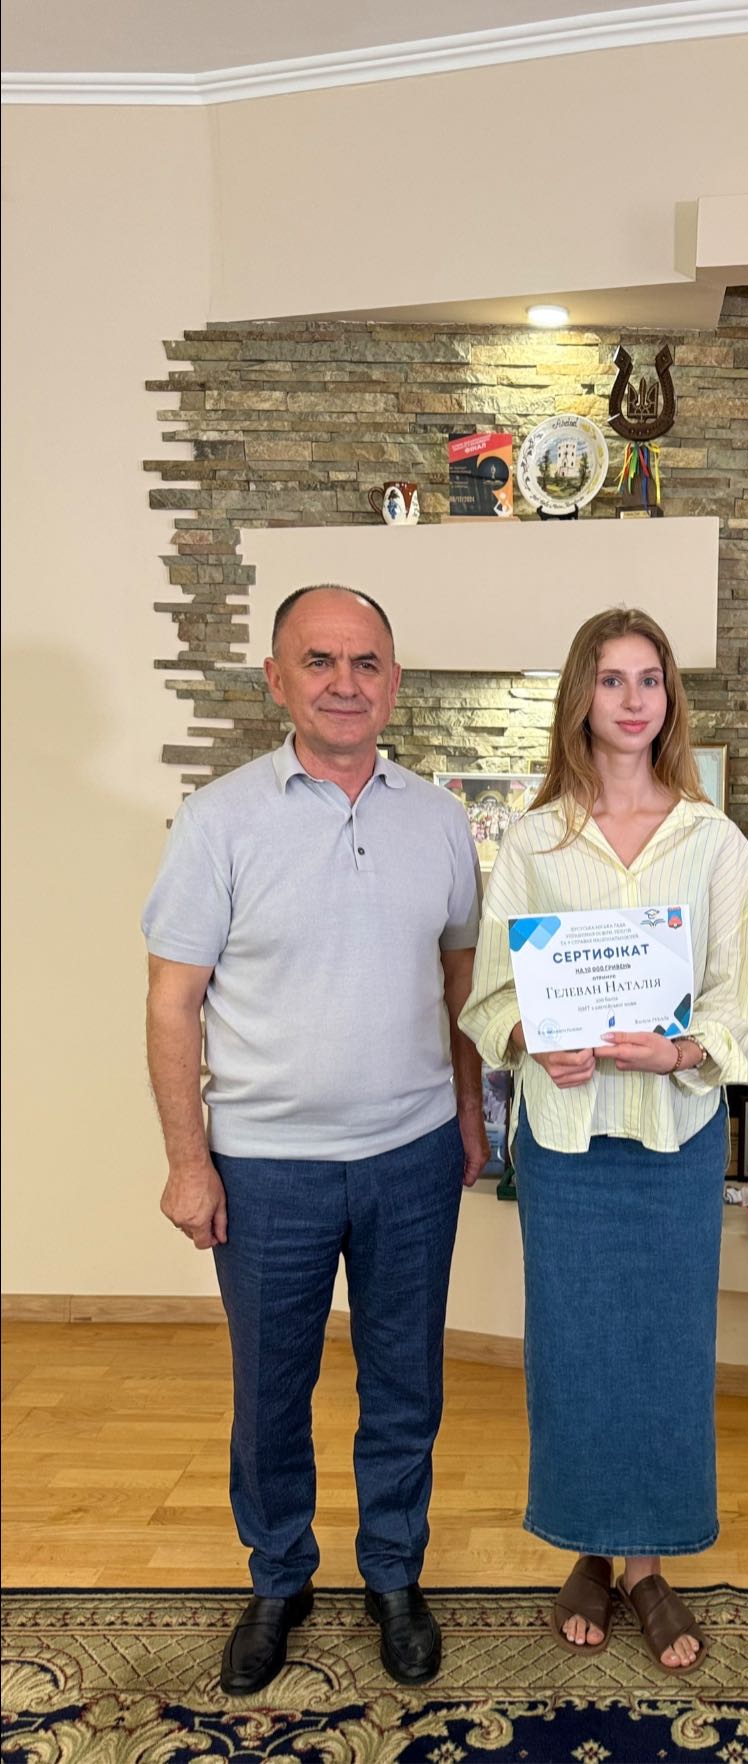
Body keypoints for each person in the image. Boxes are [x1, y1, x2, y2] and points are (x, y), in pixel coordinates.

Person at [142, 585, 488, 1696]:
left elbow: (461, 984)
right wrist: (188, 1162)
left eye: (367, 662)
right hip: (264, 1168)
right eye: (320, 660)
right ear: (277, 679)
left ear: (395, 681)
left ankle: (394, 1574)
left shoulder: (439, 820)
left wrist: (471, 1114)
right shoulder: (218, 821)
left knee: (405, 1387)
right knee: (269, 1393)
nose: (346, 682)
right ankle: (279, 1578)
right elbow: (172, 1000)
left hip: (412, 1157)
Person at [460, 607, 748, 1673]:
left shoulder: (714, 842)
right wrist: (532, 1040)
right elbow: (489, 998)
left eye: (649, 679)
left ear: (669, 698)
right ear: (580, 699)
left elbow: (739, 1003)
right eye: (610, 679)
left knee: (668, 1355)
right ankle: (589, 1549)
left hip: (674, 1139)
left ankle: (647, 1565)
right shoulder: (535, 842)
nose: (633, 700)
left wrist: (679, 1052)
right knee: (577, 1351)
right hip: (567, 1142)